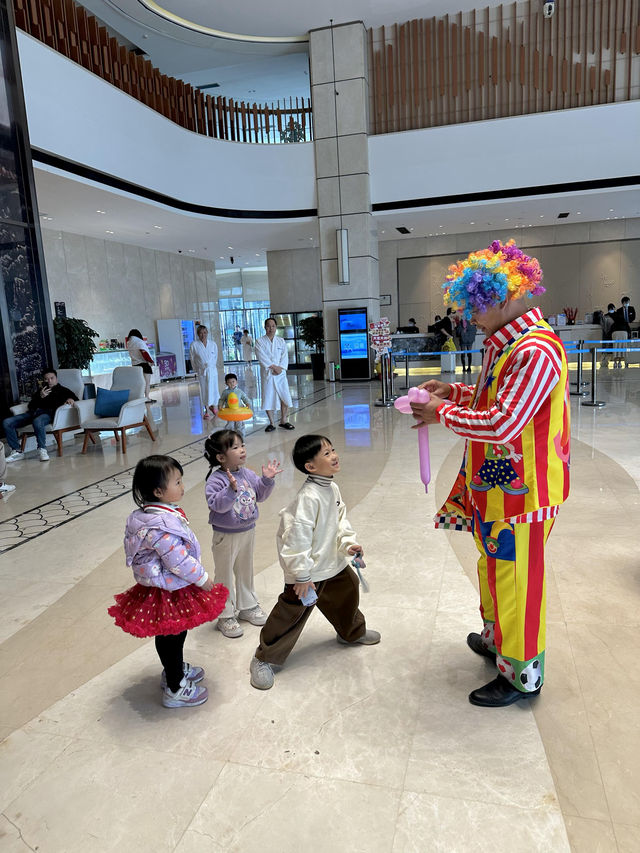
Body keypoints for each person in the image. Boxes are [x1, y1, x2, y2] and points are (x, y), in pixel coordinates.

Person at [410, 239, 570, 708]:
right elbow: (490, 402)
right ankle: (499, 642)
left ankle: (523, 676)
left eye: (475, 308)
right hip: (495, 490)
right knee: (496, 568)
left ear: (501, 298)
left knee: (518, 581)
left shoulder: (535, 351)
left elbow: (503, 421)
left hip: (526, 496)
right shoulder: (504, 346)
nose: (469, 319)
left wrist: (441, 412)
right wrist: (454, 392)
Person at [249, 434, 380, 691]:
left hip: (332, 561)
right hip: (307, 571)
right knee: (292, 612)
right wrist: (301, 574)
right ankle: (264, 657)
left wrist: (347, 543)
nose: (335, 455)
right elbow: (297, 536)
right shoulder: (308, 497)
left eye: (333, 449)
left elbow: (340, 520)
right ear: (310, 466)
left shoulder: (331, 487)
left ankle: (351, 632)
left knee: (348, 591)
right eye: (327, 453)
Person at [107, 455, 228, 708]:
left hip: (166, 584)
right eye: (177, 482)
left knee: (172, 633)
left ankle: (173, 669)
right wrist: (203, 579)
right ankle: (175, 687)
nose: (182, 486)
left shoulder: (152, 515)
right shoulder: (159, 525)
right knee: (171, 634)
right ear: (159, 491)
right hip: (168, 587)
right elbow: (178, 561)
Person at [204, 430, 282, 639]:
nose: (242, 450)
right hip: (225, 535)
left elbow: (261, 496)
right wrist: (230, 490)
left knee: (245, 570)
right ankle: (225, 614)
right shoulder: (216, 480)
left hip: (248, 531)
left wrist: (266, 481)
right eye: (235, 447)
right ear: (221, 457)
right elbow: (217, 506)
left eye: (242, 445)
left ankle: (247, 605)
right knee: (224, 574)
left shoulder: (247, 473)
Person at [3, 367, 78, 463]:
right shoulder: (41, 391)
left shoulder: (64, 390)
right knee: (7, 422)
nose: (49, 381)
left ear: (56, 379)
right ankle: (17, 451)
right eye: (47, 379)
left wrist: (71, 399)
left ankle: (42, 449)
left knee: (38, 421)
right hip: (32, 413)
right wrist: (40, 397)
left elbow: (76, 399)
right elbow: (31, 406)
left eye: (52, 378)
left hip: (48, 414)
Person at [254, 317, 294, 432]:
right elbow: (262, 357)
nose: (270, 328)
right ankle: (271, 422)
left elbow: (284, 356)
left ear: (276, 327)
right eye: (268, 326)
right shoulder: (259, 341)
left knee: (285, 396)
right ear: (264, 327)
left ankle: (283, 420)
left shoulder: (281, 341)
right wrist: (273, 367)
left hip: (280, 373)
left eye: (273, 326)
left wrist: (280, 368)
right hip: (268, 373)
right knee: (268, 396)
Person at [189, 325, 219, 420]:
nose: (203, 335)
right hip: (202, 371)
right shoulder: (194, 344)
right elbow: (192, 358)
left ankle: (214, 406)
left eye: (205, 333)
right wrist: (197, 369)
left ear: (207, 333)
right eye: (201, 333)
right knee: (204, 389)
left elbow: (215, 357)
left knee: (214, 388)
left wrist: (212, 366)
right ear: (198, 334)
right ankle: (206, 409)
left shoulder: (213, 344)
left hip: (212, 370)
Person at [217, 373, 252, 439]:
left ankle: (241, 438)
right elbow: (222, 399)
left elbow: (245, 398)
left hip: (239, 412)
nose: (231, 383)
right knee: (230, 425)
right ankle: (229, 438)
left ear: (236, 382)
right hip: (230, 412)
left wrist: (247, 403)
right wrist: (220, 405)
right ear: (226, 383)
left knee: (240, 425)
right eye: (229, 382)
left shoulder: (239, 391)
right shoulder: (225, 392)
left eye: (233, 381)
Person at [126, 329, 155, 403]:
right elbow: (144, 353)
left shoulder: (129, 343)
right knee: (147, 383)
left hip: (135, 364)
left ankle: (140, 397)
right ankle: (147, 398)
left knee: (139, 383)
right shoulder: (139, 342)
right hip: (144, 364)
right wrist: (151, 361)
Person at [599, 303, 616, 368]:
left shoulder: (605, 316)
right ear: (613, 308)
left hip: (606, 335)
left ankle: (604, 361)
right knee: (611, 349)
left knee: (605, 349)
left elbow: (603, 326)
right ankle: (609, 361)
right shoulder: (616, 316)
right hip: (611, 334)